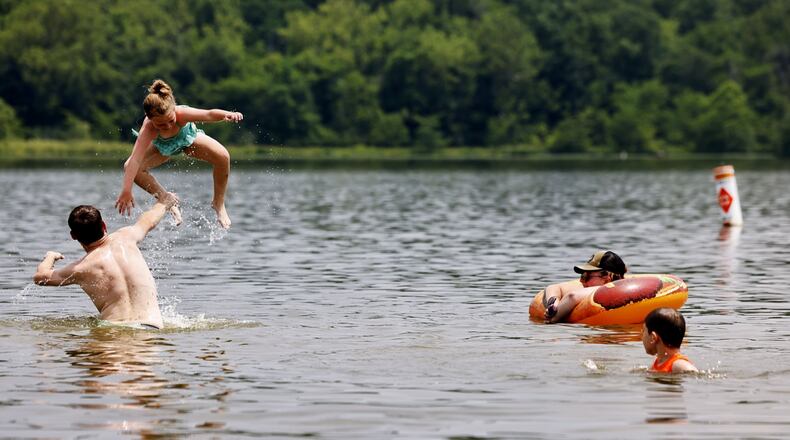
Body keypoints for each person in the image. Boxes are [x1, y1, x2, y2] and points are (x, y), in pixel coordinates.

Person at [33, 193, 179, 329]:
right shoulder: (127, 237)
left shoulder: (81, 268)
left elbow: (41, 277)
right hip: (152, 330)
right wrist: (164, 202)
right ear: (103, 225)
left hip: (114, 332)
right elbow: (149, 219)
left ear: (73, 236)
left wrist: (50, 256)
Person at [115, 79, 243, 229]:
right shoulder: (148, 128)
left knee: (223, 156)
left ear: (174, 109)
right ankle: (165, 199)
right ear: (149, 119)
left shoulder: (181, 113)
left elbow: (209, 114)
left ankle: (219, 204)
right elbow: (135, 159)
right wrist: (126, 190)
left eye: (170, 120)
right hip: (161, 148)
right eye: (161, 125)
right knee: (129, 166)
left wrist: (227, 114)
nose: (168, 126)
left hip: (188, 141)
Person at [544, 250, 627, 323]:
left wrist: (553, 318)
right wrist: (553, 303)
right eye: (582, 275)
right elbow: (553, 287)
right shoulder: (591, 288)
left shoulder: (614, 290)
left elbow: (572, 296)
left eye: (587, 276)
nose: (581, 281)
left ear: (606, 277)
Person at [642, 307, 698, 373]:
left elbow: (693, 373)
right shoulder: (656, 365)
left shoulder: (679, 365)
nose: (642, 337)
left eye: (643, 331)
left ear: (653, 337)